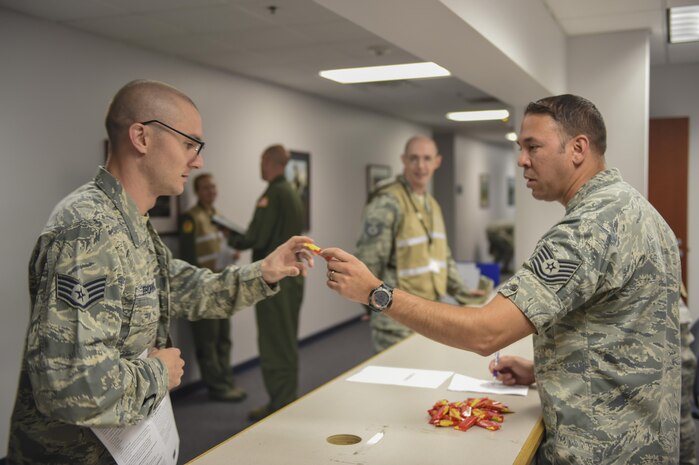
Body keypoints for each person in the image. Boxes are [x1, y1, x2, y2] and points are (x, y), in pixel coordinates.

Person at [322, 94, 681, 464]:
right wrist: (545, 371)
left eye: (533, 147)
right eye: (520, 147)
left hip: (605, 448)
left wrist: (376, 293)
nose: (522, 160)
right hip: (646, 438)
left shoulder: (588, 228)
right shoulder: (636, 208)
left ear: (577, 149)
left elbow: (486, 333)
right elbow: (631, 343)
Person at [7, 80, 314, 465]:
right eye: (190, 143)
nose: (198, 160)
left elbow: (187, 287)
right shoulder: (88, 229)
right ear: (142, 137)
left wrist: (264, 272)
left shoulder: (132, 223)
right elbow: (71, 387)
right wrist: (158, 373)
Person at [355, 135, 488, 352]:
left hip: (428, 313)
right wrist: (374, 302)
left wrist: (460, 290)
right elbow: (369, 263)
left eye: (427, 159)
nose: (421, 166)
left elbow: (442, 256)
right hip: (395, 321)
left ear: (437, 161)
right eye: (414, 158)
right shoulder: (387, 202)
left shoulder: (431, 204)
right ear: (403, 160)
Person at [228, 144, 305, 421]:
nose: (260, 167)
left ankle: (280, 405)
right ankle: (285, 400)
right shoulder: (292, 193)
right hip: (291, 278)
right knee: (285, 341)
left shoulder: (273, 194)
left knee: (274, 343)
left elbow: (256, 238)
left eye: (262, 161)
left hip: (276, 280)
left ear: (271, 162)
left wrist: (231, 237)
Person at [179, 173, 246, 402]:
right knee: (207, 341)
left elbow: (220, 247)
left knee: (223, 338)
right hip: (203, 290)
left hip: (222, 286)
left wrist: (231, 254)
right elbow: (189, 258)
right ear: (198, 192)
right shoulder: (191, 218)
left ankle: (226, 380)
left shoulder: (218, 216)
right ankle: (218, 387)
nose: (211, 192)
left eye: (213, 187)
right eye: (206, 188)